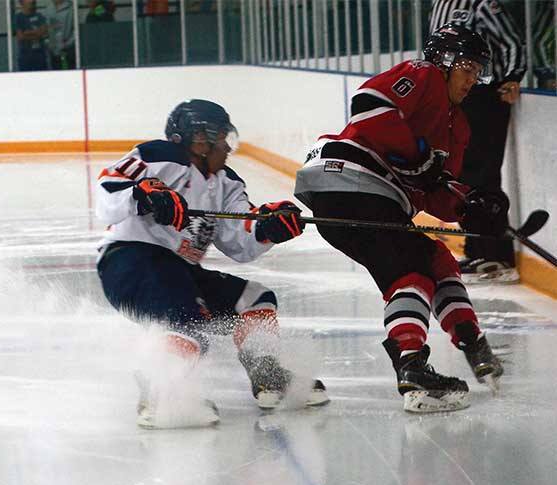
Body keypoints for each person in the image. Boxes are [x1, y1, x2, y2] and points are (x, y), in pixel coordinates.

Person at [294, 24, 505, 413]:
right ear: (443, 60)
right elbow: (369, 104)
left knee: (433, 258)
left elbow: (435, 196)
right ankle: (411, 367)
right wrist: (416, 154)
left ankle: (471, 340)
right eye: (467, 67)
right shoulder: (422, 74)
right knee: (411, 270)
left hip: (359, 198)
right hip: (353, 179)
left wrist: (467, 209)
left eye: (478, 71)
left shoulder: (458, 126)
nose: (472, 78)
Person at [96, 99, 328, 428]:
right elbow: (107, 190)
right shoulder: (160, 156)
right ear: (198, 139)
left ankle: (267, 375)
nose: (227, 148)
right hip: (130, 259)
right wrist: (143, 193)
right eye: (222, 138)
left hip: (180, 271)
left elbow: (239, 241)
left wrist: (268, 228)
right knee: (184, 319)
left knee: (254, 300)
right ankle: (160, 390)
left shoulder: (226, 182)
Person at [429, 0, 526, 284]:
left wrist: (511, 78)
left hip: (484, 98)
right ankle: (477, 249)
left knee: (481, 174)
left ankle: (496, 256)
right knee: (461, 173)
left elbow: (512, 43)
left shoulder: (480, 3)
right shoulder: (439, 3)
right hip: (455, 96)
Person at [15, 0, 49, 72]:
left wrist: (28, 33)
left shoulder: (40, 16)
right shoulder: (18, 18)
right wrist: (37, 32)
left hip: (40, 56)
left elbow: (45, 33)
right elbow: (20, 37)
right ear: (21, 2)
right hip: (25, 57)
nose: (32, 1)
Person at [48, 0, 77, 69]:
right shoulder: (49, 8)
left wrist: (67, 44)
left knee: (66, 72)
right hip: (53, 52)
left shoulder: (71, 8)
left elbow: (77, 30)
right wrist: (48, 43)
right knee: (56, 75)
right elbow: (46, 28)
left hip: (66, 52)